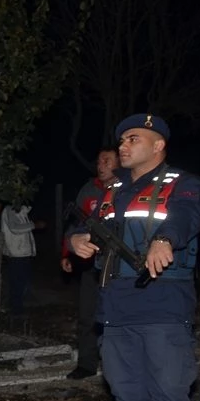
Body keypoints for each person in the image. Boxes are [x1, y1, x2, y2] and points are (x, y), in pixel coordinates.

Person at [69, 113, 200, 401]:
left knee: (170, 387)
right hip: (115, 306)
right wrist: (77, 239)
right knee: (126, 387)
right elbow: (88, 226)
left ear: (158, 144)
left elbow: (185, 217)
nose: (123, 146)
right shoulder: (111, 191)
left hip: (163, 303)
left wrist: (165, 239)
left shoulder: (185, 185)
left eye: (133, 139)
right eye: (121, 140)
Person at [61, 148, 120, 379]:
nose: (101, 165)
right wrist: (66, 253)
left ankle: (115, 366)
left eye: (107, 160)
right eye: (99, 161)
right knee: (87, 314)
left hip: (120, 266)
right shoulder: (89, 190)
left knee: (117, 317)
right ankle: (86, 364)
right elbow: (76, 226)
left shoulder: (130, 188)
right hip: (91, 263)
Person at [0, 201, 37, 320]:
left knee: (19, 283)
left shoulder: (21, 211)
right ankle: (16, 312)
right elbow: (14, 228)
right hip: (16, 254)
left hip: (22, 253)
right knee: (17, 284)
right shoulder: (10, 210)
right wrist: (33, 225)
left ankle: (15, 309)